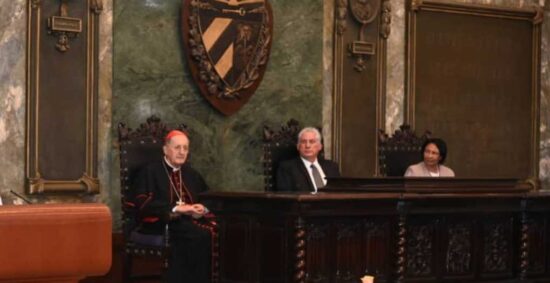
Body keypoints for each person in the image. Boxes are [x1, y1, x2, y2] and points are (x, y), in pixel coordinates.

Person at [133, 130, 214, 283]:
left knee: (220, 231)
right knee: (200, 235)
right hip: (161, 223)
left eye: (185, 148)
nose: (182, 152)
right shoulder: (151, 171)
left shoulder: (191, 173)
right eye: (177, 147)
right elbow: (141, 202)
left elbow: (208, 196)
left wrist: (202, 208)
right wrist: (175, 208)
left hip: (191, 222)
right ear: (165, 149)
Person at [276, 127, 340, 192]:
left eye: (312, 142)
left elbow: (339, 193)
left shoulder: (332, 167)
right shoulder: (287, 168)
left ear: (320, 146)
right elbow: (286, 197)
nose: (307, 146)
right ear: (298, 146)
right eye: (303, 142)